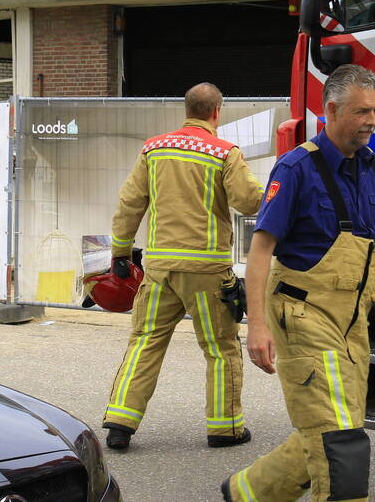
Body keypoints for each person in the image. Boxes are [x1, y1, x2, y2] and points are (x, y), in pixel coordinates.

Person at [222, 64, 375, 502]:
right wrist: (255, 325)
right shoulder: (296, 168)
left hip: (352, 324)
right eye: (360, 112)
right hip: (303, 314)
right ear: (330, 110)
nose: (371, 121)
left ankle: (245, 493)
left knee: (335, 425)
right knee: (340, 443)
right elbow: (260, 250)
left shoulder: (373, 169)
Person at [102, 82, 265, 450]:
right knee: (220, 348)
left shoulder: (154, 148)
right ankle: (225, 429)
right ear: (216, 112)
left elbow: (130, 203)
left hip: (159, 270)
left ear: (186, 109)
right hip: (207, 273)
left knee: (145, 342)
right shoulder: (224, 152)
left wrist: (121, 254)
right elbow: (248, 201)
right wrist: (279, 190)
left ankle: (119, 423)